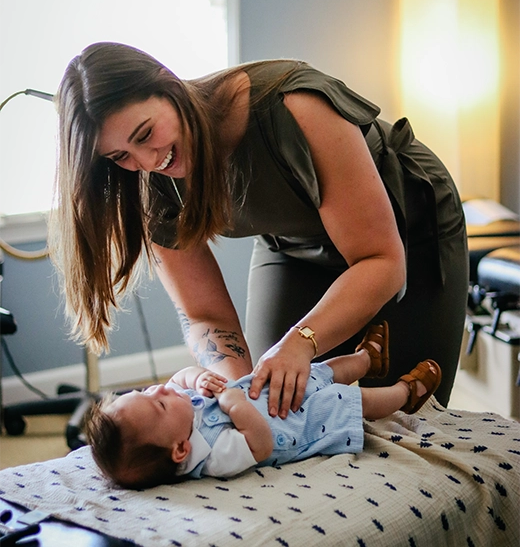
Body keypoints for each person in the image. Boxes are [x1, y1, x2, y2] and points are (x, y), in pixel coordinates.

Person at [50, 42, 468, 418]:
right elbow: (204, 314)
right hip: (294, 247)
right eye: (121, 154)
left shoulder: (294, 105)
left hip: (408, 233)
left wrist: (302, 341)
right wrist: (234, 391)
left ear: (168, 84)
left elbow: (382, 261)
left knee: (409, 420)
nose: (147, 160)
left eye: (146, 133)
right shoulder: (144, 181)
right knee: (276, 403)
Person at [85, 322, 442, 489]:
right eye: (158, 405)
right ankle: (404, 394)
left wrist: (194, 378)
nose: (160, 393)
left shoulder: (175, 409)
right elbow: (259, 443)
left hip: (274, 391)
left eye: (147, 391)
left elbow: (179, 379)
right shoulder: (211, 456)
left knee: (319, 371)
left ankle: (366, 359)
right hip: (296, 424)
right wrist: (233, 402)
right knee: (346, 400)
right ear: (180, 450)